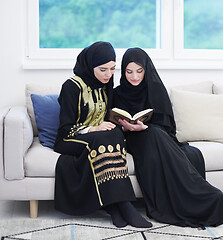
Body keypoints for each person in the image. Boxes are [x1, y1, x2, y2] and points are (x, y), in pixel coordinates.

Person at [113, 47, 223, 228]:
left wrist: (145, 126)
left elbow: (167, 125)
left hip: (155, 137)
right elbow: (112, 123)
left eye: (139, 71)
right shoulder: (116, 93)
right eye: (129, 72)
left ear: (146, 69)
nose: (134, 77)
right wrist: (126, 127)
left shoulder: (156, 89)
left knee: (160, 136)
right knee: (154, 135)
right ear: (123, 71)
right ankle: (198, 194)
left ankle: (201, 195)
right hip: (132, 140)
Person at [53, 42, 152, 228]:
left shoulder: (106, 85)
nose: (108, 75)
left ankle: (113, 205)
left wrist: (124, 124)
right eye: (103, 69)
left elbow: (107, 117)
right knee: (102, 138)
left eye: (113, 69)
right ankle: (122, 205)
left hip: (99, 137)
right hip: (70, 138)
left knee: (113, 133)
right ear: (91, 66)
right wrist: (92, 129)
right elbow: (66, 128)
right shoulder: (71, 87)